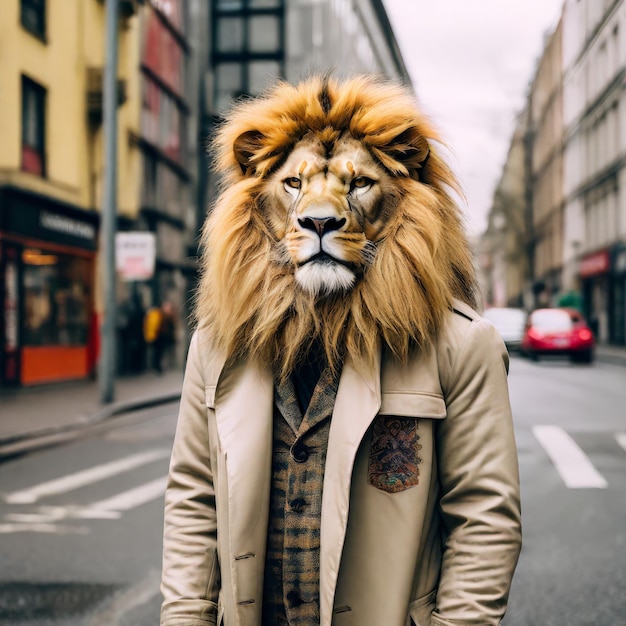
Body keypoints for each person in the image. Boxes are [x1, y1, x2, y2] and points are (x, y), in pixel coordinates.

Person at [161, 75, 521, 626]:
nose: (322, 212)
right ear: (257, 205)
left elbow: (484, 520)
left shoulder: (463, 346)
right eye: (294, 186)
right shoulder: (217, 345)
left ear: (404, 199)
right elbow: (194, 500)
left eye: (357, 185)